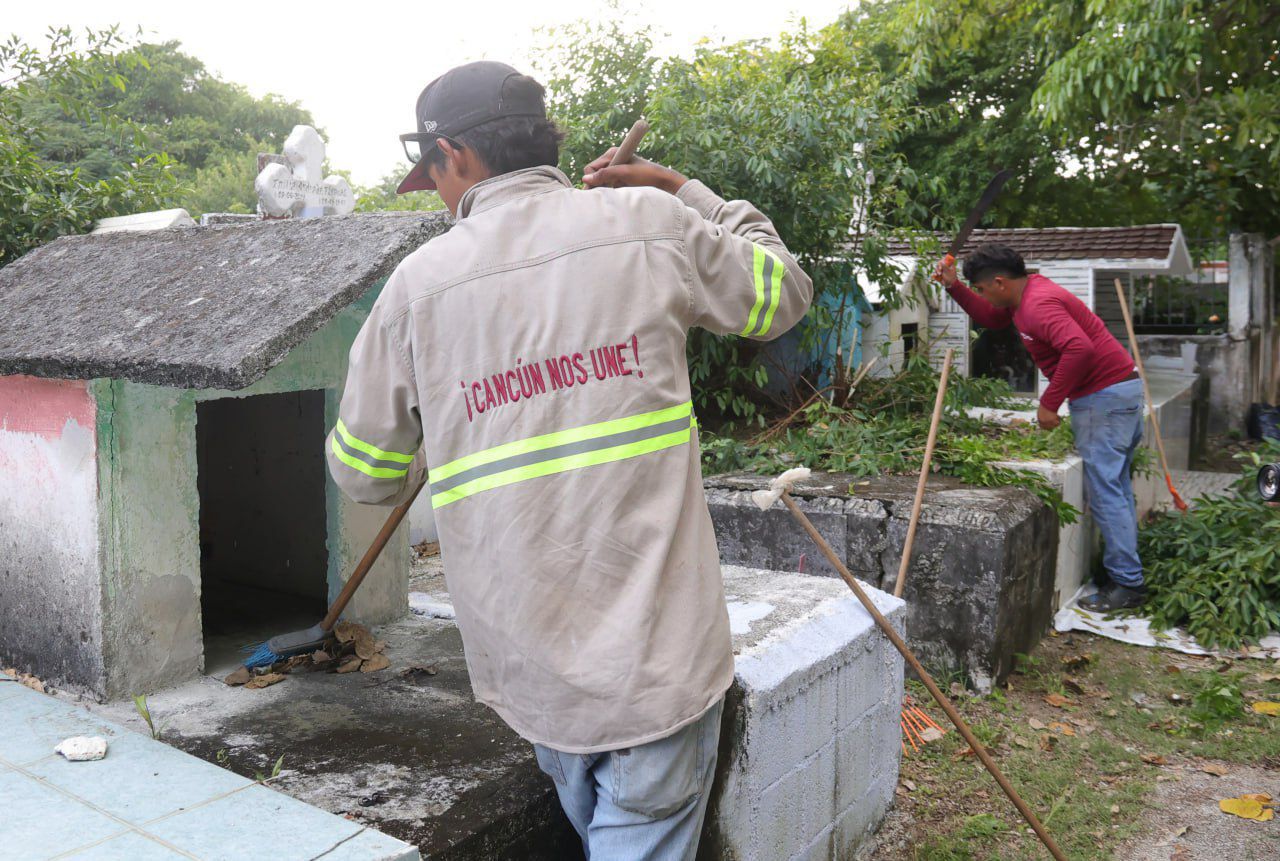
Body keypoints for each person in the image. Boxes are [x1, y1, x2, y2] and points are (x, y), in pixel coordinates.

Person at [325, 61, 813, 860]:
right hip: (660, 669)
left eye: (435, 176)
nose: (442, 197)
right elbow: (780, 291)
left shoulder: (416, 290)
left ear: (455, 155)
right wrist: (684, 188)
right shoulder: (651, 224)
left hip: (533, 681)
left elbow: (363, 473)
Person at [935, 244, 1146, 612]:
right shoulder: (1026, 296)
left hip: (1103, 399)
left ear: (1000, 282)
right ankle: (1124, 575)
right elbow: (993, 317)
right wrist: (955, 287)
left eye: (983, 288)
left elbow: (1079, 348)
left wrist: (1049, 403)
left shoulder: (1037, 304)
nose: (983, 294)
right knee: (1117, 489)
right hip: (1118, 392)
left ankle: (1127, 584)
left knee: (1108, 493)